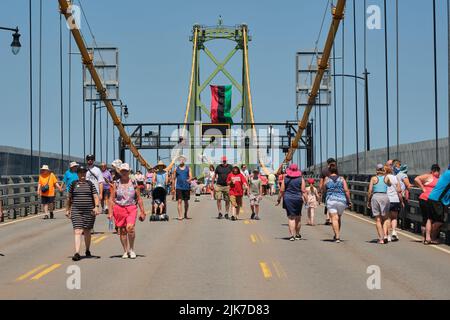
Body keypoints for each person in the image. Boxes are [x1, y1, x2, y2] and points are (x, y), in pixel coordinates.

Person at [108, 163, 146, 259]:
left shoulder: (134, 183)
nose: (124, 172)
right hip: (119, 208)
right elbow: (111, 199)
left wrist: (142, 211)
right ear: (120, 172)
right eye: (122, 171)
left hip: (131, 207)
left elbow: (139, 198)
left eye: (126, 171)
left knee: (130, 228)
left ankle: (132, 249)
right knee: (123, 231)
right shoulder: (116, 183)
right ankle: (125, 250)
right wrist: (110, 213)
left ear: (129, 172)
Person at [65, 166, 100, 261]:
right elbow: (69, 198)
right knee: (77, 230)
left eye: (84, 172)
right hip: (76, 210)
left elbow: (95, 196)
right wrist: (67, 209)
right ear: (77, 174)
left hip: (89, 210)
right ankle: (77, 253)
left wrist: (96, 207)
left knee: (87, 230)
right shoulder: (73, 184)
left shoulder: (90, 184)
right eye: (80, 173)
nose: (82, 174)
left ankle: (87, 249)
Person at [276, 164, 306, 241]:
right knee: (298, 217)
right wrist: (306, 200)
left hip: (288, 199)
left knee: (291, 218)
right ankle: (298, 234)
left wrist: (279, 199)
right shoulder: (301, 179)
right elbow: (303, 191)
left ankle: (292, 235)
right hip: (298, 199)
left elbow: (282, 190)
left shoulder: (285, 179)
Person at [322, 165, 351, 242]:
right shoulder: (342, 179)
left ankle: (337, 236)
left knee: (334, 218)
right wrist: (349, 200)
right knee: (338, 218)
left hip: (331, 200)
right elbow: (346, 190)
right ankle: (337, 234)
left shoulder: (327, 179)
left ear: (329, 171)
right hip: (341, 200)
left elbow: (324, 190)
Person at [415, 164, 442, 245]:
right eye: (435, 171)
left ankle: (426, 237)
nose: (437, 173)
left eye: (438, 171)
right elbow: (416, 179)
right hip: (425, 199)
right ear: (432, 171)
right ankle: (426, 237)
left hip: (433, 200)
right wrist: (422, 188)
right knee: (427, 218)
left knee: (427, 219)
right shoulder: (428, 176)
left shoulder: (439, 177)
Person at [367, 164, 392, 244]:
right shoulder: (386, 177)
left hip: (376, 196)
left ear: (376, 170)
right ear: (383, 170)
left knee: (378, 219)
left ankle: (381, 239)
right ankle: (385, 235)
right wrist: (385, 175)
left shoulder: (373, 178)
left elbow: (370, 190)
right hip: (385, 196)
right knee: (385, 218)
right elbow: (389, 184)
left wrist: (368, 201)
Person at [385, 165, 404, 242]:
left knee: (388, 218)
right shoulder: (395, 178)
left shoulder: (384, 178)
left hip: (387, 199)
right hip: (395, 200)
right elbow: (399, 190)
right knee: (394, 218)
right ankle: (393, 231)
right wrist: (401, 201)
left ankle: (388, 235)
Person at [173, 155, 192, 220]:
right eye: (180, 159)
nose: (181, 160)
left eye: (183, 159)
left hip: (186, 187)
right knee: (179, 201)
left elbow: (190, 176)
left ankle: (185, 214)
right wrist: (173, 188)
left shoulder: (188, 168)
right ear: (179, 161)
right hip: (179, 187)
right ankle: (180, 215)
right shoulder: (176, 169)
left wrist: (189, 180)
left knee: (186, 202)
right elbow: (173, 178)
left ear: (184, 160)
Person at [319, 158, 337, 225]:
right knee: (333, 204)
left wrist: (320, 191)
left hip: (326, 189)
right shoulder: (335, 170)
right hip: (335, 189)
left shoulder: (324, 170)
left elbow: (321, 182)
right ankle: (331, 219)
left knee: (328, 203)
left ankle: (328, 218)